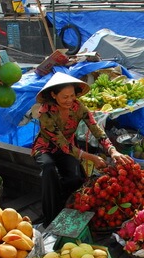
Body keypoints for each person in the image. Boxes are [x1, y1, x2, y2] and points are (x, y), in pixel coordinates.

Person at [31, 72, 132, 227]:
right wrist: (91, 157)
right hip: (46, 148)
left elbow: (95, 128)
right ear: (53, 95)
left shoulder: (78, 107)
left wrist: (112, 150)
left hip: (70, 149)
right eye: (65, 97)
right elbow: (62, 144)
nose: (70, 100)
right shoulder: (45, 113)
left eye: (72, 96)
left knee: (75, 178)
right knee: (48, 169)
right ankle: (50, 219)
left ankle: (67, 208)